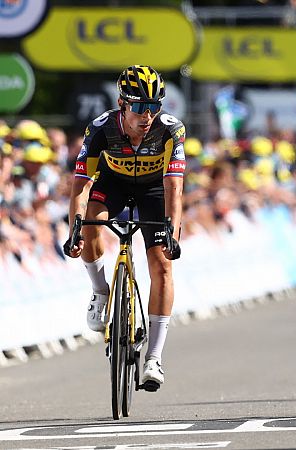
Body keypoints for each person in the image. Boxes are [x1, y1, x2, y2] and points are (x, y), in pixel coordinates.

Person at [63, 65, 185, 390]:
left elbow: (175, 186)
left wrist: (173, 232)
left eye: (154, 106)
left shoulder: (171, 130)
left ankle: (154, 359)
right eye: (140, 107)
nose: (147, 115)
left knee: (161, 264)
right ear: (122, 104)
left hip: (153, 190)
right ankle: (101, 292)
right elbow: (81, 185)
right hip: (112, 183)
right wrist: (74, 227)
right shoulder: (101, 128)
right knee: (91, 221)